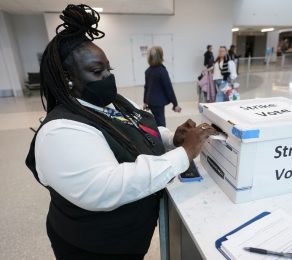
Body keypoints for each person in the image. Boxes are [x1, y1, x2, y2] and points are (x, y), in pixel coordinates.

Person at [25, 5, 217, 260]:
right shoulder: (60, 131)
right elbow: (109, 186)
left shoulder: (115, 102)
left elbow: (137, 129)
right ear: (66, 77)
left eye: (109, 69)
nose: (107, 77)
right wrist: (183, 154)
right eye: (97, 71)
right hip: (93, 248)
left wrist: (171, 139)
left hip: (131, 237)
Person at [144, 46, 181, 127]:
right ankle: (160, 139)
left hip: (150, 102)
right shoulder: (162, 71)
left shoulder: (148, 71)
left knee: (156, 122)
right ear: (160, 56)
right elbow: (168, 88)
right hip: (158, 103)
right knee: (161, 124)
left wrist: (145, 101)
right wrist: (175, 104)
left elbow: (146, 87)